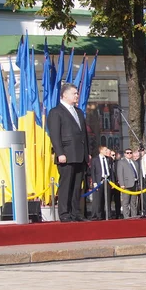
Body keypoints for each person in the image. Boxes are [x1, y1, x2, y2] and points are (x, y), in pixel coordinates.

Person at [47, 82, 90, 223]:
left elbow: (84, 135)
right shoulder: (56, 112)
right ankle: (64, 213)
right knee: (66, 185)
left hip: (80, 154)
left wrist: (87, 152)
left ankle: (76, 213)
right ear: (64, 95)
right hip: (66, 154)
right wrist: (60, 153)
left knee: (77, 185)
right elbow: (55, 135)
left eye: (77, 93)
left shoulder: (78, 112)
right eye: (74, 93)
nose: (77, 95)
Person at [90, 145, 111, 220]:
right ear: (101, 150)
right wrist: (94, 182)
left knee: (107, 198)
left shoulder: (108, 159)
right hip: (99, 180)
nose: (107, 151)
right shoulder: (95, 159)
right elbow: (93, 171)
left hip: (107, 180)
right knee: (98, 199)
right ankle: (98, 215)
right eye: (105, 150)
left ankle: (108, 215)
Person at [117, 148, 139, 218]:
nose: (129, 154)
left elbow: (138, 172)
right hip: (126, 185)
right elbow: (120, 173)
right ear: (124, 154)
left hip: (134, 184)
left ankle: (134, 216)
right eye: (127, 153)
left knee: (133, 202)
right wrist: (122, 184)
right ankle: (126, 216)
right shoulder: (121, 162)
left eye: (130, 153)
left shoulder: (135, 162)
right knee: (126, 202)